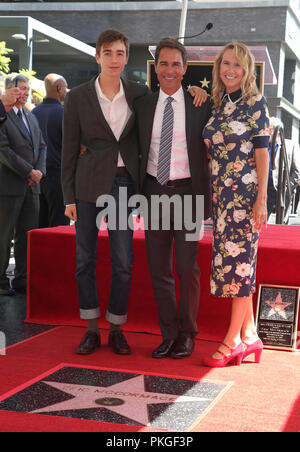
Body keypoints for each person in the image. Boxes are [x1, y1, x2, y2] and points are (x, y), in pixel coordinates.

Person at [134, 37, 211, 359]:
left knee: (187, 267)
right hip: (154, 193)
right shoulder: (143, 105)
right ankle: (168, 334)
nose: (169, 70)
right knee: (159, 269)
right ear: (156, 68)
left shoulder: (201, 104)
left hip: (189, 194)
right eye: (163, 63)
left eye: (175, 64)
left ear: (185, 68)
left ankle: (187, 333)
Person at [202, 42, 270, 367]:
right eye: (226, 64)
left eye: (238, 66)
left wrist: (262, 200)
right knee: (236, 264)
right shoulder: (219, 105)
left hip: (245, 199)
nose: (230, 70)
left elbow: (261, 153)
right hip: (222, 200)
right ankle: (251, 335)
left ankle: (232, 341)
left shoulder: (255, 103)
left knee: (240, 268)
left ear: (247, 71)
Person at [0, 75, 46, 296]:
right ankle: (1, 281)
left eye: (28, 89)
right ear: (10, 90)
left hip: (31, 187)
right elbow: (3, 150)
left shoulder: (31, 115)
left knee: (26, 236)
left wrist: (38, 172)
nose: (26, 93)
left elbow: (42, 146)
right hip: (9, 187)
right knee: (4, 235)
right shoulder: (3, 116)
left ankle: (22, 279)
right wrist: (28, 171)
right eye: (22, 89)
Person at [32, 74, 70, 227]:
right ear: (59, 88)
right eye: (65, 89)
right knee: (59, 225)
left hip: (36, 176)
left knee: (40, 223)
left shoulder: (32, 114)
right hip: (59, 176)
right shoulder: (64, 114)